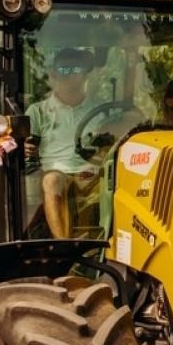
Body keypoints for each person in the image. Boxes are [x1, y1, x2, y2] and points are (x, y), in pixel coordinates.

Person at [25, 46, 107, 239]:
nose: (70, 75)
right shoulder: (38, 111)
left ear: (85, 74)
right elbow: (24, 145)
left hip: (94, 172)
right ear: (53, 75)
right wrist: (24, 148)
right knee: (52, 181)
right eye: (64, 69)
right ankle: (64, 244)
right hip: (56, 171)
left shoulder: (101, 109)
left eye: (76, 69)